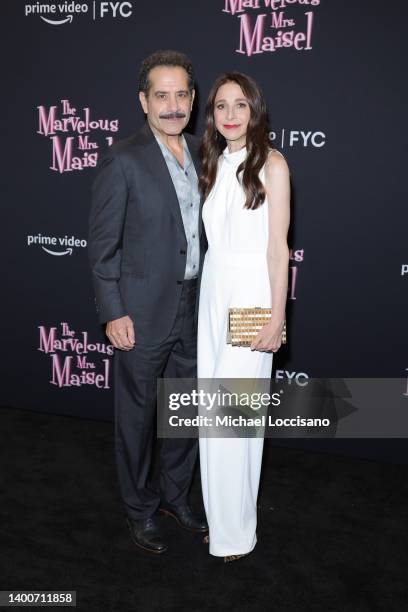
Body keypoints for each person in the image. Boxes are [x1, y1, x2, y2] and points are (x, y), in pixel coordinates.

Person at [88, 50, 208, 555]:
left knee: (184, 410)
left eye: (182, 94)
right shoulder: (124, 158)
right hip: (141, 309)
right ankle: (139, 508)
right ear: (144, 101)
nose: (173, 105)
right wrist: (114, 310)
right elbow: (102, 245)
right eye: (162, 95)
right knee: (138, 417)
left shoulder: (205, 153)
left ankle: (175, 496)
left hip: (195, 304)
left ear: (193, 99)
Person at [197, 72, 290, 562]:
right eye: (220, 106)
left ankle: (237, 533)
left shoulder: (272, 164)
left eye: (239, 105)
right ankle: (221, 519)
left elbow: (278, 249)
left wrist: (276, 316)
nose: (230, 115)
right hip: (213, 297)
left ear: (255, 109)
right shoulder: (213, 162)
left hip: (251, 299)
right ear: (211, 114)